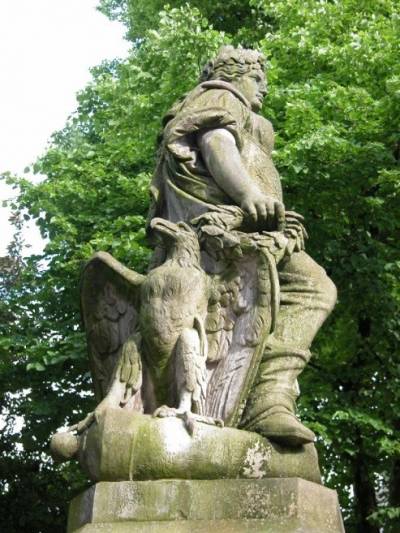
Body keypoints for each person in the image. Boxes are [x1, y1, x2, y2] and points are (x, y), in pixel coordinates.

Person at [149, 46, 337, 446]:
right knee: (312, 286)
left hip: (237, 233)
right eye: (256, 78)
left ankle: (270, 398)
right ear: (233, 76)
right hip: (225, 234)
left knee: (308, 288)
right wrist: (249, 194)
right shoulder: (221, 95)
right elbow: (217, 142)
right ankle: (269, 399)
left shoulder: (243, 115)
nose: (263, 87)